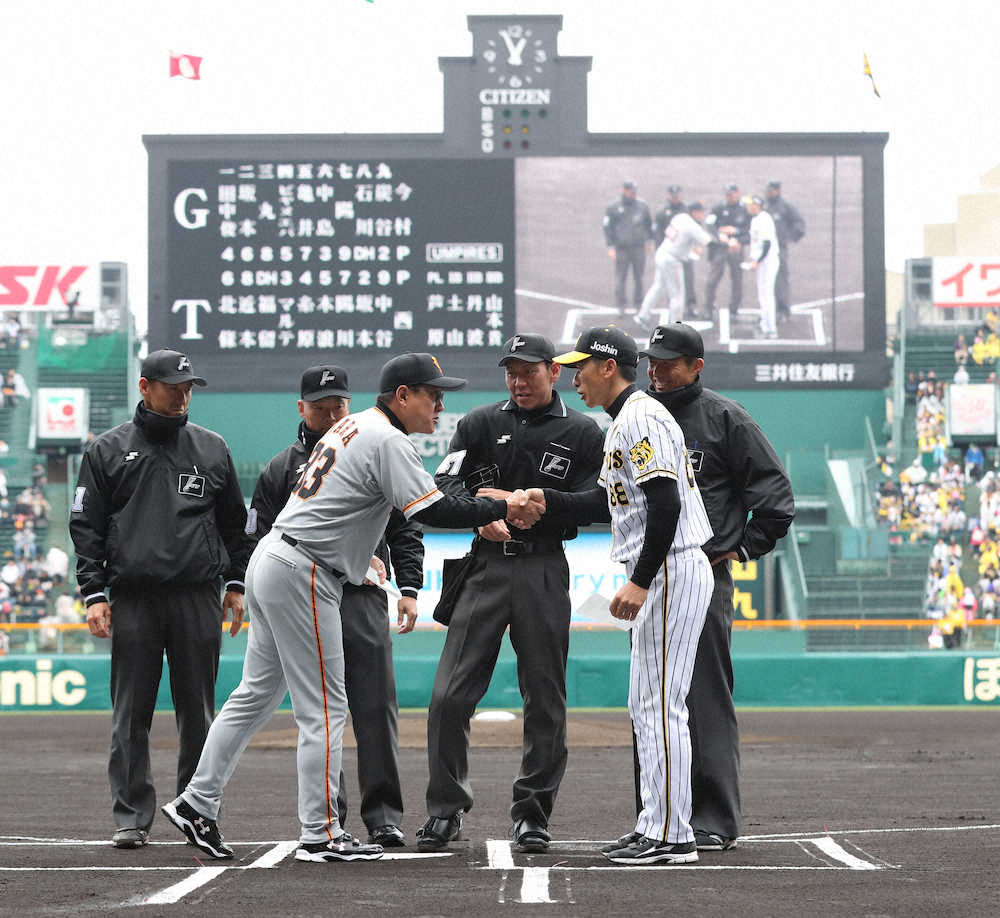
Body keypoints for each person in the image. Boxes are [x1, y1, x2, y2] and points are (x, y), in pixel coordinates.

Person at [161, 353, 542, 864]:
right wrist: (504, 505)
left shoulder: (356, 425)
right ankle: (320, 833)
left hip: (279, 558)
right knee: (323, 709)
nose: (439, 404)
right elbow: (433, 509)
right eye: (432, 394)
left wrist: (355, 560)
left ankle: (198, 800)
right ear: (402, 395)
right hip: (304, 571)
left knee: (254, 696)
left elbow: (338, 505)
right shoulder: (388, 438)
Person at [527, 325, 714, 866]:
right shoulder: (626, 419)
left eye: (580, 366)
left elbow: (665, 502)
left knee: (660, 706)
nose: (573, 376)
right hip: (665, 566)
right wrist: (546, 500)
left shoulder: (639, 417)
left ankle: (672, 834)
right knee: (647, 705)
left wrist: (641, 579)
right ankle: (655, 824)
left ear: (608, 366)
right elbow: (606, 503)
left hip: (670, 566)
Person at [418, 333, 604, 854]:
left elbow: (601, 501)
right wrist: (484, 513)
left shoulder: (582, 431)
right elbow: (443, 486)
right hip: (484, 566)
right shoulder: (478, 423)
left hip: (544, 567)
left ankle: (532, 815)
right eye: (511, 372)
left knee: (544, 698)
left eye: (529, 371)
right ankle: (445, 809)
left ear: (554, 371)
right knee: (449, 695)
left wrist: (539, 502)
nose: (519, 382)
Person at [69, 349, 251, 850]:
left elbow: (235, 526)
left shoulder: (212, 447)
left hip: (197, 594)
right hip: (134, 596)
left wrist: (236, 583)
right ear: (145, 387)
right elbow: (86, 528)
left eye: (189, 388)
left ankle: (197, 810)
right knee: (131, 715)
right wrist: (93, 593)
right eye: (174, 387)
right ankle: (131, 815)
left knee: (199, 713)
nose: (183, 396)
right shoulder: (107, 450)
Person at [246, 364, 422, 848]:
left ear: (350, 404)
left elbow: (405, 524)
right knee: (323, 708)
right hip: (305, 586)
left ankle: (383, 815)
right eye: (320, 407)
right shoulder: (281, 467)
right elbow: (265, 536)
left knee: (374, 704)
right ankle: (330, 815)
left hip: (362, 595)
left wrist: (409, 585)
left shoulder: (369, 443)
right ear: (301, 408)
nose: (329, 415)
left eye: (337, 406)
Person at [642, 322, 794, 851]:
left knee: (703, 696)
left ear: (696, 367)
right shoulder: (639, 416)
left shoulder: (725, 418)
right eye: (652, 362)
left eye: (668, 363)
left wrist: (742, 547)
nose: (657, 372)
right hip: (648, 578)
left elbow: (776, 498)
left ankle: (713, 819)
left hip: (703, 574)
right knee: (652, 700)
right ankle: (659, 817)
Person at [636, 202, 712, 330]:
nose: (702, 215)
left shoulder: (680, 217)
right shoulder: (692, 226)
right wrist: (725, 242)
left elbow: (682, 238)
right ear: (694, 212)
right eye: (701, 212)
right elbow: (708, 241)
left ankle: (643, 315)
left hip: (662, 253)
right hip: (672, 260)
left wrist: (691, 247)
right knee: (677, 295)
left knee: (658, 287)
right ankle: (675, 325)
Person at [603, 180, 653, 313]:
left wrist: (649, 240)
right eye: (631, 192)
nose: (633, 194)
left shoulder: (642, 206)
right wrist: (610, 246)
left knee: (639, 277)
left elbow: (648, 224)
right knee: (621, 277)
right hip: (622, 249)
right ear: (624, 191)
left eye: (634, 192)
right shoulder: (613, 208)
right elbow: (608, 228)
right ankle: (621, 304)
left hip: (638, 247)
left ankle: (638, 303)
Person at [703, 183, 750, 319]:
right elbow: (709, 225)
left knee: (737, 279)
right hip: (720, 248)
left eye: (731, 194)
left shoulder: (745, 210)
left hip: (736, 248)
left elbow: (750, 230)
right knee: (712, 279)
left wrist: (737, 234)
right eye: (727, 194)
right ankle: (708, 307)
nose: (729, 197)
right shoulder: (718, 208)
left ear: (737, 193)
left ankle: (734, 309)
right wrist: (719, 236)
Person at [763, 181, 806, 318]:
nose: (768, 193)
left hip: (779, 248)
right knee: (765, 278)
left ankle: (783, 309)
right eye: (767, 190)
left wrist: (791, 237)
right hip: (764, 247)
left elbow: (799, 223)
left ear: (777, 191)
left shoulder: (785, 206)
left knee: (780, 277)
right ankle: (769, 309)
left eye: (771, 191)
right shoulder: (764, 205)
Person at [744, 195, 781, 338]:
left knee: (766, 294)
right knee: (762, 294)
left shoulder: (764, 219)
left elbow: (767, 244)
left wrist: (757, 261)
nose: (748, 207)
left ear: (756, 205)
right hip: (763, 261)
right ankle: (765, 324)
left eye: (750, 204)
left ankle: (771, 328)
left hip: (768, 261)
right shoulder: (756, 219)